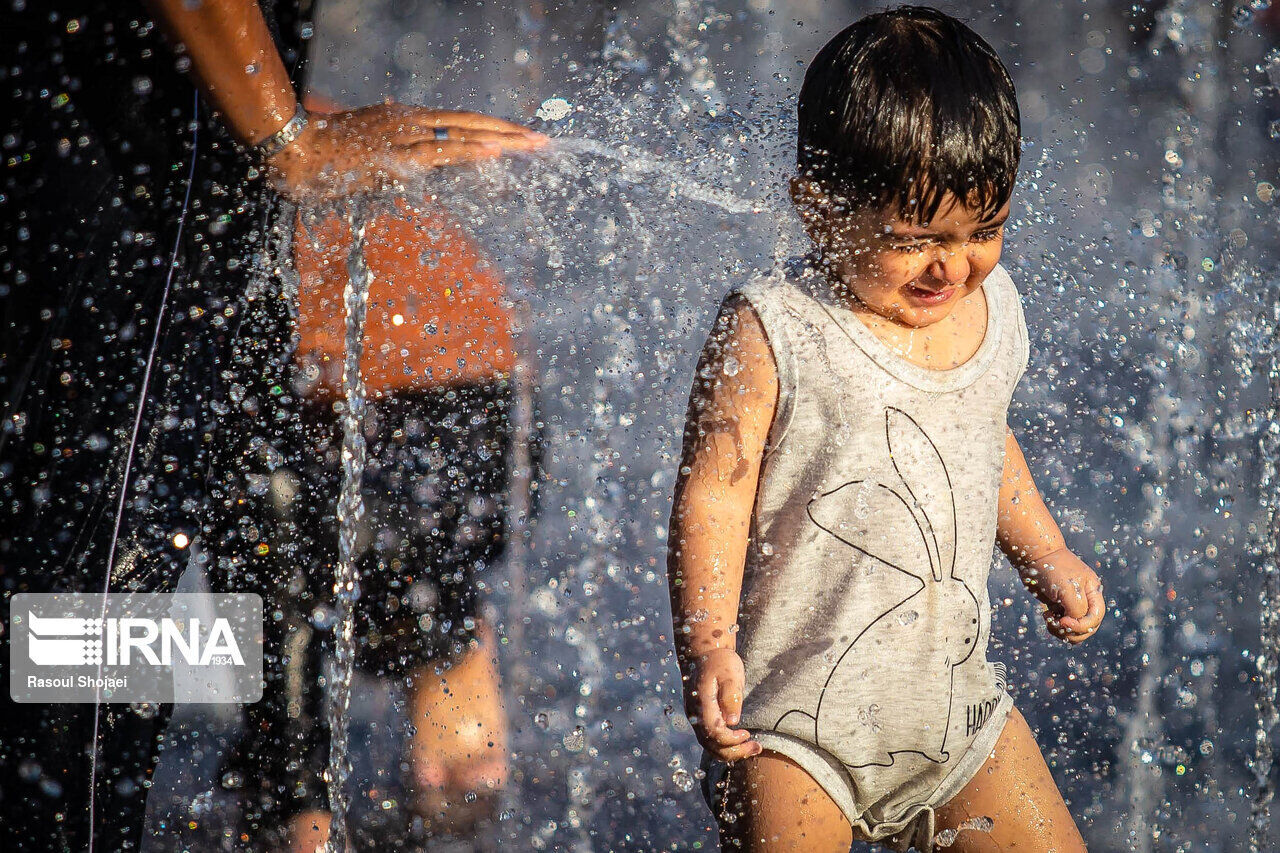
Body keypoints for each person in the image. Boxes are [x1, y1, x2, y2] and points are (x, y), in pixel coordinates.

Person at [1, 0, 540, 849]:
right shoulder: (217, 169)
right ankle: (338, 780)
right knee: (109, 605)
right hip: (450, 386)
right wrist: (290, 139)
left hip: (416, 388)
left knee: (97, 606)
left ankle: (305, 792)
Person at [665, 7, 1106, 852]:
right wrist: (709, 644)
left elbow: (988, 442)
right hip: (794, 726)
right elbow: (714, 491)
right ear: (820, 209)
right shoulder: (773, 326)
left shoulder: (995, 310)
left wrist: (1045, 553)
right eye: (918, 239)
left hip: (957, 713)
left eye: (985, 229)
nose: (955, 265)